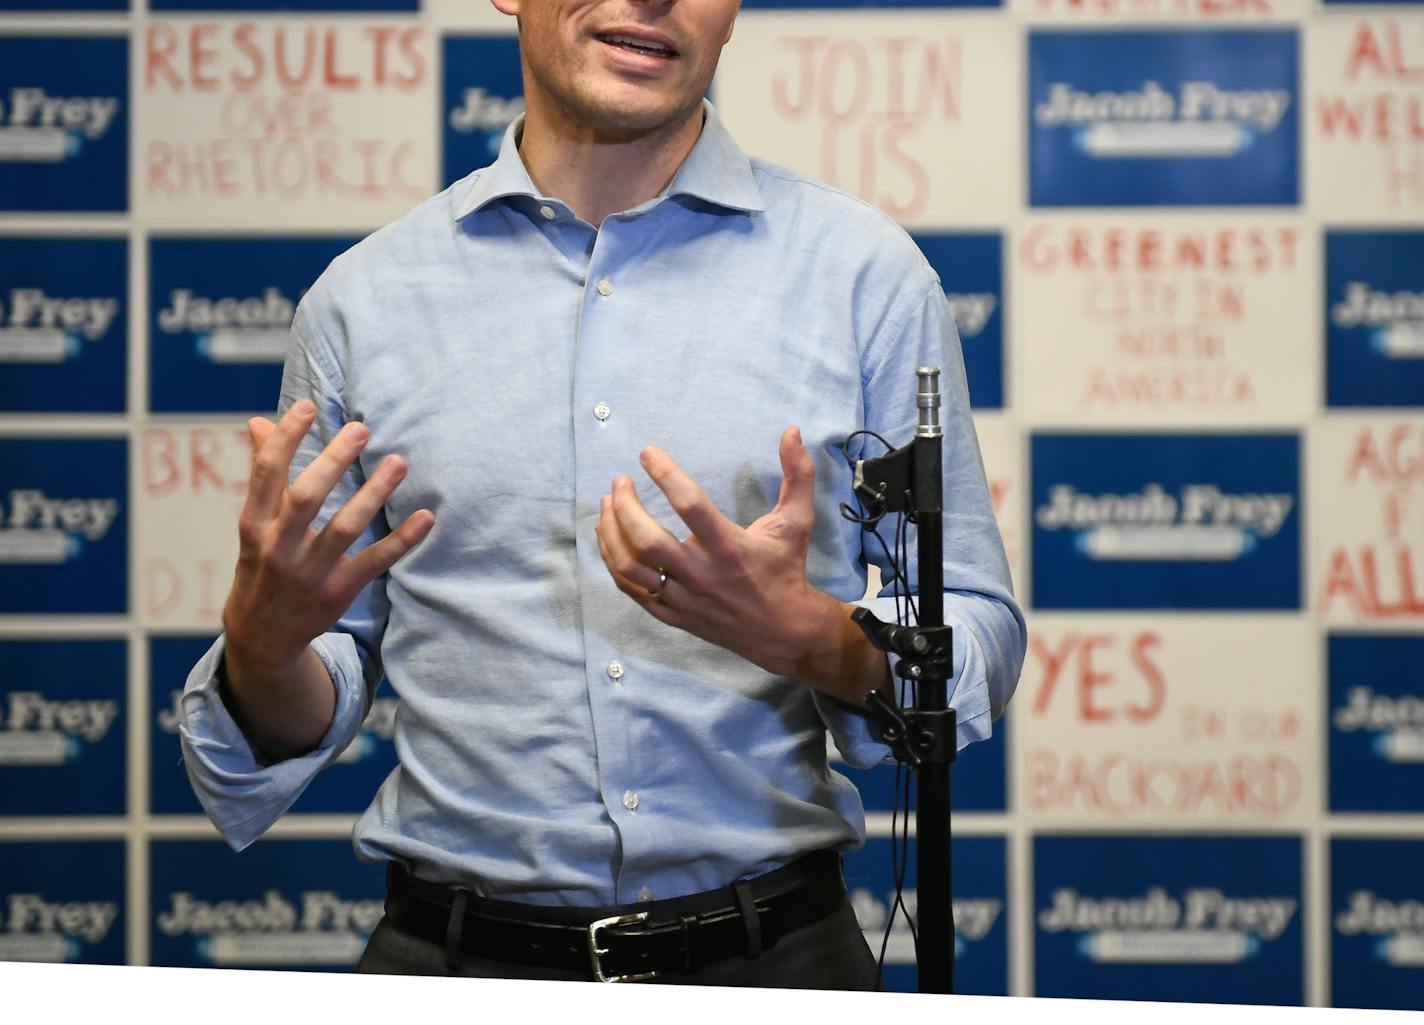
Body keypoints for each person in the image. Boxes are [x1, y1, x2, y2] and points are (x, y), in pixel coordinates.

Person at [178, 0, 1026, 989]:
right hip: (454, 966)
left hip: (779, 961)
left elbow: (973, 632)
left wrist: (813, 638)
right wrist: (262, 648)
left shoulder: (865, 277)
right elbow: (303, 690)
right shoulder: (361, 304)